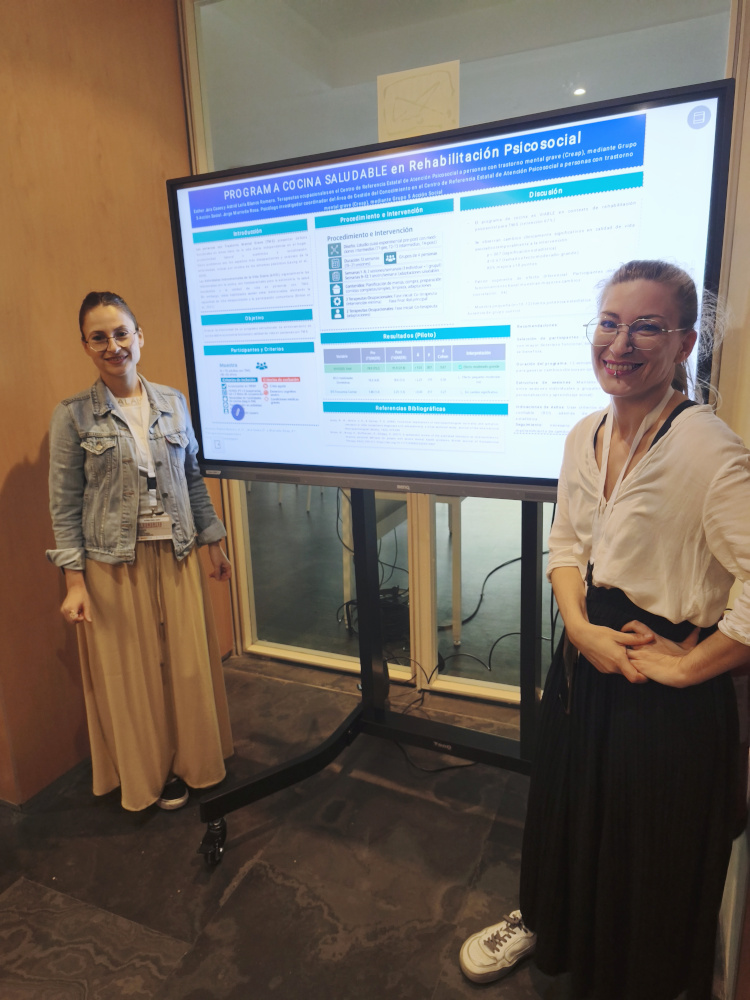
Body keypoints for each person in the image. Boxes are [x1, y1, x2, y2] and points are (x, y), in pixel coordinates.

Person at [459, 261, 750, 1000]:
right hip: (587, 656)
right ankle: (548, 924)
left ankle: (629, 977)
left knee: (644, 845)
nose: (620, 344)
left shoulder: (706, 447)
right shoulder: (584, 433)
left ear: (684, 343)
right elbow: (566, 545)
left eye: (647, 326)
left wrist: (687, 668)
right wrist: (579, 628)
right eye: (610, 323)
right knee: (567, 810)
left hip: (663, 686)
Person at [47, 291, 233, 812]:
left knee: (188, 665)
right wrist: (74, 582)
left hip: (177, 550)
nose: (113, 346)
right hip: (111, 561)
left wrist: (213, 542)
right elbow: (64, 504)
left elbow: (192, 481)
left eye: (121, 333)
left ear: (139, 336)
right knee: (131, 675)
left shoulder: (173, 402)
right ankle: (150, 774)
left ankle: (195, 760)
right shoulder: (72, 416)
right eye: (99, 337)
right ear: (86, 346)